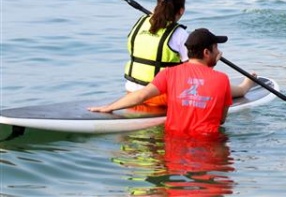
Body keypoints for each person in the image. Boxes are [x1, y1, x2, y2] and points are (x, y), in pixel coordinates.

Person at [89, 28, 256, 136]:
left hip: (174, 144)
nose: (219, 52)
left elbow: (141, 95)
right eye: (216, 48)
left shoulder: (169, 73)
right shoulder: (222, 80)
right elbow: (220, 120)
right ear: (207, 52)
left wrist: (109, 107)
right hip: (209, 145)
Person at [124, 0, 188, 106]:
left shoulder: (140, 22)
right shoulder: (180, 34)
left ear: (156, 6)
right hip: (160, 97)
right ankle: (237, 89)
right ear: (181, 11)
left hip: (131, 92)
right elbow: (196, 71)